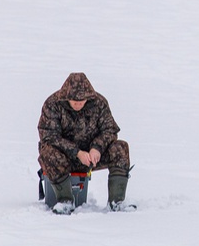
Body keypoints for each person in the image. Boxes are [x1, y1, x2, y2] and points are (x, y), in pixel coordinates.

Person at [38, 72, 131, 214]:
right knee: (48, 153)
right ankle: (65, 201)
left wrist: (97, 148)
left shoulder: (99, 103)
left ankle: (116, 202)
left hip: (91, 158)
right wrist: (77, 153)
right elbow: (48, 136)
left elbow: (110, 129)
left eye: (81, 101)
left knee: (120, 147)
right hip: (63, 158)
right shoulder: (52, 104)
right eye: (74, 101)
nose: (78, 104)